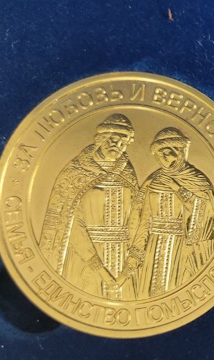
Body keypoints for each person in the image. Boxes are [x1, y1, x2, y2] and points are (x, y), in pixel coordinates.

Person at [39, 114, 141, 300]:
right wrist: (100, 269)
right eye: (113, 139)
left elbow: (136, 219)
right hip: (84, 259)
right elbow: (71, 224)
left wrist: (129, 267)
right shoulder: (75, 173)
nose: (117, 145)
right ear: (101, 138)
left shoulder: (128, 173)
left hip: (121, 260)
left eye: (123, 142)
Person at [119, 127, 214, 298]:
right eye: (160, 154)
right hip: (153, 249)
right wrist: (132, 262)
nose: (164, 158)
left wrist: (177, 188)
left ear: (180, 152)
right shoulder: (153, 182)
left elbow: (206, 212)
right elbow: (144, 222)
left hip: (182, 250)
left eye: (168, 152)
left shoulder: (197, 180)